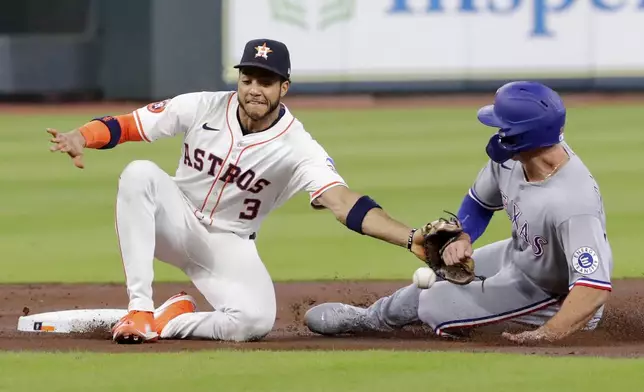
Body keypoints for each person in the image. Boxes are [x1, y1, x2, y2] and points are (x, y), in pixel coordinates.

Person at [46, 38, 430, 344]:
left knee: (254, 321)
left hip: (228, 244)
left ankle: (169, 321)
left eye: (265, 82)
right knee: (139, 174)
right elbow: (132, 125)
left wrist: (409, 237)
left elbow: (343, 202)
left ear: (284, 87)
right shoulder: (203, 106)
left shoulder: (298, 147)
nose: (254, 90)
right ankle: (141, 309)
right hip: (175, 220)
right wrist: (83, 135)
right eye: (247, 79)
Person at [305, 81, 613, 344]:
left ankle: (494, 323)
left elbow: (592, 287)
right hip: (520, 256)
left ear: (524, 136)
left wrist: (548, 334)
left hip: (553, 295)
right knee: (436, 277)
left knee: (434, 305)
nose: (496, 132)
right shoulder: (510, 159)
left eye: (502, 126)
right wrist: (462, 236)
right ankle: (372, 319)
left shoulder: (574, 203)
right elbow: (479, 204)